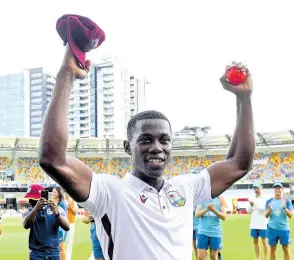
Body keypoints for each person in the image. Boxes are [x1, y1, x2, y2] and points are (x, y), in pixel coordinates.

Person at [38, 44, 255, 260]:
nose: (156, 147)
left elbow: (239, 163)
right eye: (145, 140)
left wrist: (244, 99)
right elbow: (53, 160)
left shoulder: (186, 188)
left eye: (164, 140)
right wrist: (66, 76)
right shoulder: (109, 192)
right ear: (127, 148)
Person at [22, 184, 70, 260]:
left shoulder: (56, 209)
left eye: (31, 198)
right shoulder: (29, 211)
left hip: (53, 252)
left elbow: (67, 227)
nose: (29, 201)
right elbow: (26, 225)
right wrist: (36, 209)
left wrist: (56, 214)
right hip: (36, 253)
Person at [264, 183, 292, 260]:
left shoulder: (287, 201)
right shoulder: (269, 201)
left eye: (279, 188)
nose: (277, 190)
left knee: (286, 249)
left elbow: (290, 215)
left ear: (282, 190)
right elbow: (266, 215)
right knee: (272, 250)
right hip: (272, 229)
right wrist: (269, 209)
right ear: (274, 190)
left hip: (284, 229)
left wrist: (284, 207)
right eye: (276, 188)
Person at [195, 196, 227, 260]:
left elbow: (224, 217)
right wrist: (206, 209)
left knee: (213, 256)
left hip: (215, 232)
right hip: (202, 232)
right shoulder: (202, 197)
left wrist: (213, 210)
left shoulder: (221, 199)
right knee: (201, 256)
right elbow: (197, 215)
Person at [247, 183, 268, 260]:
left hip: (263, 223)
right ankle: (257, 257)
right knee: (255, 242)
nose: (256, 190)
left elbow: (263, 209)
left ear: (260, 188)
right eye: (254, 188)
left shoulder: (264, 198)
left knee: (264, 242)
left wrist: (254, 204)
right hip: (254, 223)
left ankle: (265, 258)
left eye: (257, 188)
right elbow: (248, 211)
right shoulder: (252, 198)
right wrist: (251, 205)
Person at [52, 187, 68, 260]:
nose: (53, 193)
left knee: (61, 246)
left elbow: (64, 216)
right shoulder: (53, 201)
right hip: (54, 226)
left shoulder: (62, 203)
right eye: (53, 192)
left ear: (59, 193)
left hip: (61, 227)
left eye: (55, 192)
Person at [64, 192, 78, 260]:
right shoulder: (62, 200)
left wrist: (70, 206)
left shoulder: (73, 200)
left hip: (71, 223)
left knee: (69, 241)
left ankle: (68, 258)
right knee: (61, 241)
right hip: (61, 223)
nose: (66, 193)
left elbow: (75, 212)